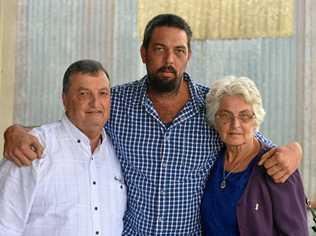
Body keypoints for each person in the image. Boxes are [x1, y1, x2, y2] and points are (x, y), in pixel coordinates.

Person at [4, 14, 302, 235]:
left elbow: (246, 136)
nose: (168, 59)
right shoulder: (115, 103)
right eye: (159, 49)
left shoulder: (211, 106)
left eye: (179, 51)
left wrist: (293, 152)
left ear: (188, 56)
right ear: (144, 53)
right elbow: (74, 121)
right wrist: (15, 132)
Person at [0, 60, 126, 236]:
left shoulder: (119, 151)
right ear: (64, 99)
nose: (95, 103)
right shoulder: (32, 149)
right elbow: (5, 226)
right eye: (84, 94)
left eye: (103, 93)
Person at [201, 76, 308, 235]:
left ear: (256, 120)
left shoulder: (278, 166)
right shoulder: (210, 160)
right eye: (225, 115)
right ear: (214, 120)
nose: (235, 124)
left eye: (244, 115)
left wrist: (297, 148)